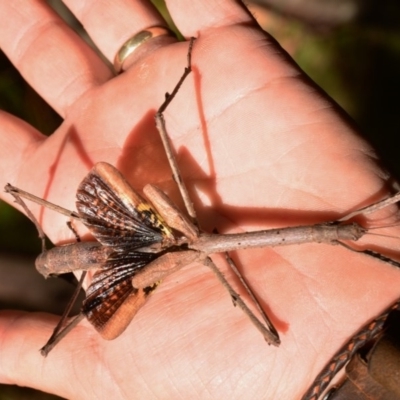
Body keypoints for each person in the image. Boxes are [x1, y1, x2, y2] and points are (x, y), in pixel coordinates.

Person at [0, 1, 399, 399]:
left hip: (153, 246)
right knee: (153, 163)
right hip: (155, 243)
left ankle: (28, 204)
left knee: (135, 258)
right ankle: (26, 201)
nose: (328, 232)